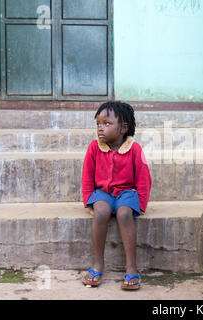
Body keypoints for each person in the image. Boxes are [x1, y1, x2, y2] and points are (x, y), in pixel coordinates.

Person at [81, 101, 152, 290]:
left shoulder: (134, 149)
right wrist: (89, 201)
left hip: (127, 193)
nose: (100, 129)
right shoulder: (94, 148)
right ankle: (97, 264)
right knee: (101, 212)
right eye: (98, 124)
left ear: (123, 127)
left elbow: (144, 178)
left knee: (123, 214)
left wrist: (141, 204)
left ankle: (131, 267)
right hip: (102, 193)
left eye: (106, 123)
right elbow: (87, 175)